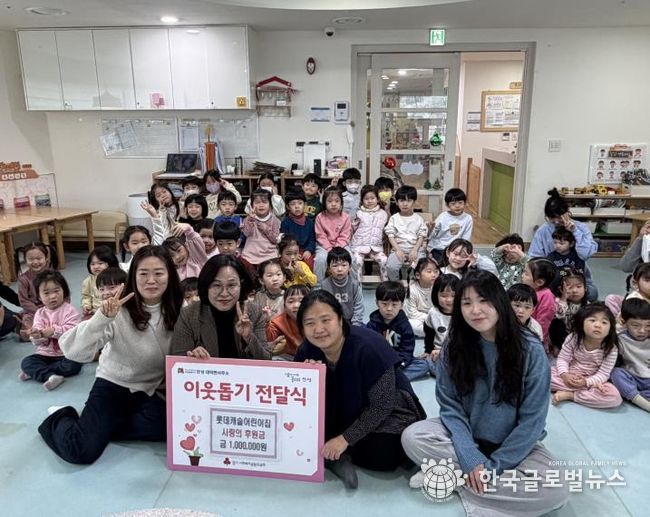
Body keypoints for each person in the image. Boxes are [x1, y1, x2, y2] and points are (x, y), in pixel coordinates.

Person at [402, 270, 569, 516]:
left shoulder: (530, 350)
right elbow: (451, 407)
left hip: (513, 442)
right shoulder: (454, 347)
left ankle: (452, 479)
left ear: (499, 302)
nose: (475, 310)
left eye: (484, 300)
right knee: (412, 437)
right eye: (466, 303)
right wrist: (470, 455)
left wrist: (492, 468)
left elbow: (532, 421)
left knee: (556, 491)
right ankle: (473, 481)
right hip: (466, 435)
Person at [38, 246, 184, 464]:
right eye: (143, 273)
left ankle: (97, 426)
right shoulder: (117, 308)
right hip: (114, 384)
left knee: (177, 429)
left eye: (159, 273)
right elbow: (72, 351)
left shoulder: (181, 306)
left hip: (153, 390)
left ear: (170, 275)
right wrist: (102, 317)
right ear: (133, 276)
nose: (151, 280)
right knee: (80, 450)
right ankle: (61, 416)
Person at [295, 290, 426, 489]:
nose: (319, 329)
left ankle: (336, 452)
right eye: (310, 323)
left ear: (340, 319)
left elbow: (382, 405)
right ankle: (335, 455)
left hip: (387, 409)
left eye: (326, 320)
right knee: (303, 434)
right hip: (340, 411)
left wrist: (345, 439)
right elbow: (299, 402)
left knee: (384, 454)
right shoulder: (306, 350)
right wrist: (307, 380)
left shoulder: (368, 346)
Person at [170, 255, 270, 360]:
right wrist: (192, 358)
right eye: (216, 285)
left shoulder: (254, 311)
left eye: (231, 285)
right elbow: (177, 361)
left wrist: (249, 337)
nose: (224, 293)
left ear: (241, 284)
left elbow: (266, 361)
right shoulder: (189, 315)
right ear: (206, 286)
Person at [528, 188, 598, 300]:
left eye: (559, 217)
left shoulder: (581, 228)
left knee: (592, 294)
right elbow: (534, 259)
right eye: (552, 218)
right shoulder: (543, 231)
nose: (556, 221)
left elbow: (585, 255)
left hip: (577, 275)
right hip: (553, 276)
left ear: (567, 212)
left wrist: (575, 231)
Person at [19, 270, 82, 390]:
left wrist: (53, 331)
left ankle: (38, 372)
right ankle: (50, 376)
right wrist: (37, 336)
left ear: (64, 291)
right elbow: (38, 338)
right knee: (26, 362)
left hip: (67, 353)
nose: (52, 296)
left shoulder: (70, 310)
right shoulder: (40, 313)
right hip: (45, 354)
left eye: (56, 291)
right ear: (39, 296)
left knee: (73, 366)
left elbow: (73, 331)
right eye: (46, 293)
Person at [551, 303, 622, 408]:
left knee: (614, 398)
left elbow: (603, 374)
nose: (598, 325)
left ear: (610, 328)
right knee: (542, 376)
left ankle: (571, 395)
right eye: (592, 320)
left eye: (604, 322)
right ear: (581, 323)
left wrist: (586, 382)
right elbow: (563, 359)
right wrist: (565, 375)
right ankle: (582, 393)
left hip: (591, 380)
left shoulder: (610, 348)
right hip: (569, 374)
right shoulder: (573, 338)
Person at [366, 281, 416, 372]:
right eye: (384, 304)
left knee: (422, 365)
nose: (389, 309)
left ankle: (390, 376)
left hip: (397, 361)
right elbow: (368, 348)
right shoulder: (372, 325)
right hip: (379, 360)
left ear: (402, 305)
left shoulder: (405, 325)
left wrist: (400, 364)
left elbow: (407, 349)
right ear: (377, 303)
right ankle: (391, 377)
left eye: (394, 305)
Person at [611, 298, 650, 412]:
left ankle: (635, 395)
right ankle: (643, 403)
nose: (642, 330)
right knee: (616, 373)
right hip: (633, 377)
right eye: (635, 325)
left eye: (648, 325)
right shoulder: (620, 339)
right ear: (624, 322)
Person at [384, 185, 428, 281]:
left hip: (416, 250)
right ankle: (396, 284)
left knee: (420, 266)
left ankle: (413, 284)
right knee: (391, 266)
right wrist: (398, 250)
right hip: (398, 249)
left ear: (414, 202)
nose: (405, 204)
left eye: (409, 200)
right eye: (402, 200)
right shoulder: (394, 218)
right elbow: (390, 235)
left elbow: (421, 235)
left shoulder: (418, 219)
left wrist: (415, 250)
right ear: (397, 202)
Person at [17, 242, 57, 341]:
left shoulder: (54, 275)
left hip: (54, 308)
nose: (35, 262)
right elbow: (24, 301)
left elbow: (64, 294)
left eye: (39, 258)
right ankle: (21, 323)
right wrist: (40, 312)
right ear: (25, 260)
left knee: (66, 325)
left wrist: (58, 307)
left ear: (46, 258)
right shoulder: (23, 279)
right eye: (31, 259)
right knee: (26, 335)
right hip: (33, 311)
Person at [350, 185, 389, 282]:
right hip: (359, 246)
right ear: (362, 200)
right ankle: (357, 284)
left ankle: (385, 283)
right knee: (357, 261)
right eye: (366, 199)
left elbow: (386, 230)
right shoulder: (359, 213)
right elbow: (352, 228)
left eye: (372, 198)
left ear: (377, 199)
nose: (370, 201)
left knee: (384, 260)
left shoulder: (383, 214)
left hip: (376, 248)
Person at [314, 188, 352, 283]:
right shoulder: (320, 217)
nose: (333, 204)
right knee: (320, 259)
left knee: (352, 258)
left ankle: (353, 284)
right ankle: (318, 286)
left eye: (337, 201)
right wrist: (329, 249)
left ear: (341, 203)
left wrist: (337, 248)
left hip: (342, 245)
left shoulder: (346, 217)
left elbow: (345, 235)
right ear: (324, 203)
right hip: (323, 246)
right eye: (330, 201)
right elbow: (320, 235)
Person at [240, 189, 281, 279]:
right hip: (251, 253)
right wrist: (250, 219)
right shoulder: (249, 218)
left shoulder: (274, 220)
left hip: (269, 254)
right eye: (257, 202)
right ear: (252, 205)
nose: (261, 205)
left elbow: (276, 240)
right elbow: (246, 233)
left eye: (264, 202)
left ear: (270, 205)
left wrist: (266, 230)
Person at [427, 188, 473, 264]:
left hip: (457, 250)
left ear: (465, 203)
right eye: (453, 204)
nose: (457, 206)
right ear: (447, 205)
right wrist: (430, 229)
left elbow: (466, 239)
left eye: (460, 203)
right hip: (439, 248)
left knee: (467, 264)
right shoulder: (443, 216)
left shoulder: (468, 218)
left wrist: (461, 251)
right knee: (440, 264)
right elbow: (431, 235)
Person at [321, 247, 364, 327]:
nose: (340, 269)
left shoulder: (355, 284)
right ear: (329, 268)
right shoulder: (324, 285)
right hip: (332, 323)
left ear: (350, 267)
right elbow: (324, 308)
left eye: (344, 265)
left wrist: (355, 326)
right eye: (335, 266)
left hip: (351, 322)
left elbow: (358, 307)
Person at [266, 284, 310, 360]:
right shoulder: (280, 321)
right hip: (290, 356)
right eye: (291, 301)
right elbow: (270, 338)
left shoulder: (316, 319)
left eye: (301, 301)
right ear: (284, 306)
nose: (296, 305)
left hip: (313, 356)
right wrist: (266, 321)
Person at [549, 269, 589, 353]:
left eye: (578, 286)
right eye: (569, 287)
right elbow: (559, 315)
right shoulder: (558, 301)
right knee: (556, 322)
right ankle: (557, 346)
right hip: (562, 337)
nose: (574, 291)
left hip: (579, 338)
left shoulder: (588, 305)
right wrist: (563, 298)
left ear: (585, 288)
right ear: (561, 289)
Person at [521, 257, 557, 349]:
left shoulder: (547, 296)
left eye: (526, 274)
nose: (522, 276)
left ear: (539, 282)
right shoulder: (528, 290)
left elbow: (543, 324)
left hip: (534, 339)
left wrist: (536, 340)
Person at [403, 257, 439, 337]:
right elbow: (412, 313)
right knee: (410, 324)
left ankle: (435, 332)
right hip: (419, 319)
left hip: (434, 318)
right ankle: (436, 333)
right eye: (429, 271)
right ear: (418, 275)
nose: (433, 275)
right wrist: (429, 318)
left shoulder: (438, 288)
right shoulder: (412, 290)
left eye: (435, 271)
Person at [280, 189, 316, 269]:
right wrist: (295, 253)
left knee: (309, 264)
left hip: (305, 250)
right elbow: (285, 241)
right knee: (290, 264)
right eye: (293, 204)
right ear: (288, 206)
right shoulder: (285, 222)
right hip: (291, 251)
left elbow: (312, 240)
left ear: (305, 204)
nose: (297, 206)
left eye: (300, 203)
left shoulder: (310, 222)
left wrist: (308, 250)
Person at [81, 245, 119, 319]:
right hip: (94, 312)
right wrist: (86, 305)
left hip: (113, 311)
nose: (96, 267)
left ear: (110, 263)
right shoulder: (88, 281)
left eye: (100, 263)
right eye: (93, 264)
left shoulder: (116, 279)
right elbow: (86, 296)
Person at [250, 258, 286, 322]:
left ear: (284, 277)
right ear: (261, 280)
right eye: (269, 275)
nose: (275, 279)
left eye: (278, 274)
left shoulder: (287, 295)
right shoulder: (259, 296)